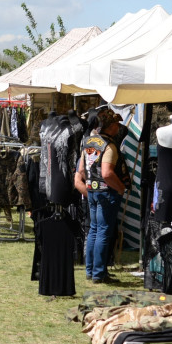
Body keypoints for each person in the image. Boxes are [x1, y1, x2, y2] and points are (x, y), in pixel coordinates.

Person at [74, 111, 127, 284]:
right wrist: (120, 188)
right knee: (103, 231)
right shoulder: (109, 145)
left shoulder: (88, 142)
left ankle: (91, 271)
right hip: (106, 192)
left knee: (94, 231)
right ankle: (99, 273)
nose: (118, 127)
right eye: (116, 124)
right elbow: (107, 173)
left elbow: (81, 171)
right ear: (110, 126)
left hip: (92, 191)